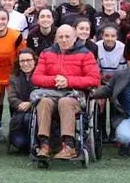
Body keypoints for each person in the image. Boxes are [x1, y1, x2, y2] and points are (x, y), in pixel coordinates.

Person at [30, 25, 101, 160]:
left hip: (74, 95)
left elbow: (94, 79)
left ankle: (69, 146)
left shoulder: (86, 54)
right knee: (43, 102)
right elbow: (36, 77)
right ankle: (44, 145)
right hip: (51, 93)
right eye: (60, 37)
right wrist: (55, 80)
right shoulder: (46, 53)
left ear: (75, 37)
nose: (64, 40)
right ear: (56, 38)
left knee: (65, 102)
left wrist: (68, 81)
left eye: (67, 36)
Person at [7, 48, 38, 151]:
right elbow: (12, 98)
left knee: (28, 118)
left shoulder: (41, 76)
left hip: (38, 113)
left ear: (34, 61)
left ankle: (38, 141)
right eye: (22, 61)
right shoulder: (13, 78)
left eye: (28, 60)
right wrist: (21, 104)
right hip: (19, 115)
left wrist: (30, 104)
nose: (25, 64)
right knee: (19, 143)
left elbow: (44, 94)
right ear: (18, 63)